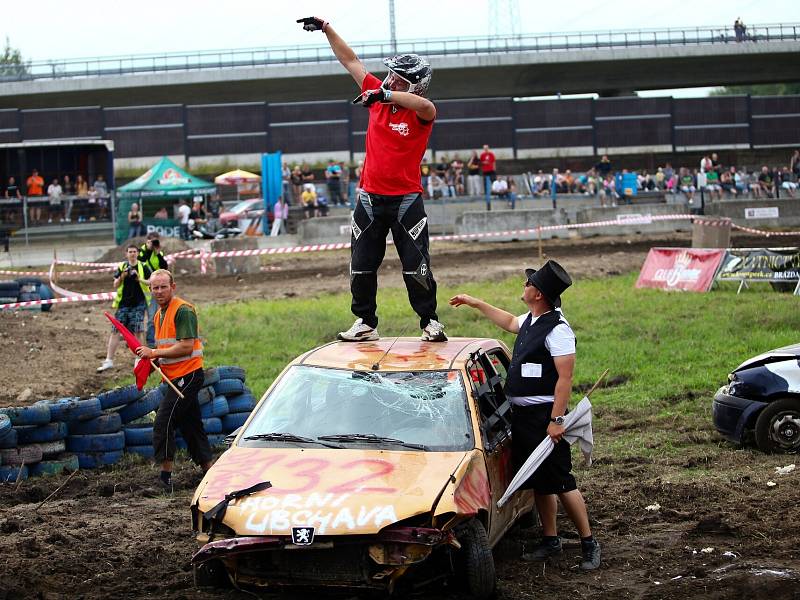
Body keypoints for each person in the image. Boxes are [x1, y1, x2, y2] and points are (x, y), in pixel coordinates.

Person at [299, 15, 446, 342]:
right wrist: (326, 28)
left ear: (413, 85)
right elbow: (350, 60)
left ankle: (429, 322)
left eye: (397, 80)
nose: (389, 81)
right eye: (390, 77)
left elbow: (426, 105)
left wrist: (386, 96)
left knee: (415, 265)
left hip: (407, 200)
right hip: (369, 198)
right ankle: (365, 322)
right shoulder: (377, 95)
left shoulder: (420, 112)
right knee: (361, 264)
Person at [448, 260, 600, 571]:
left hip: (545, 416)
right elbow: (507, 321)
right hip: (525, 416)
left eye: (528, 284)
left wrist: (556, 420)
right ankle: (551, 539)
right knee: (540, 481)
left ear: (539, 294)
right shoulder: (532, 318)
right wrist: (475, 303)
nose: (524, 286)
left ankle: (588, 543)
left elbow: (565, 379)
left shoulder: (558, 329)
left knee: (561, 481)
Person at [135, 269, 212, 491]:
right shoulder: (159, 314)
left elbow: (186, 346)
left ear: (173, 287)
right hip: (174, 376)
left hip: (187, 376)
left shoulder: (183, 310)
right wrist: (154, 363)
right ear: (150, 289)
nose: (159, 291)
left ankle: (165, 479)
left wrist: (155, 353)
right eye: (155, 287)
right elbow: (167, 347)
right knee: (191, 426)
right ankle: (211, 471)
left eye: (163, 287)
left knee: (164, 422)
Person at [97, 245, 152, 372]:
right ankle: (109, 360)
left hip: (139, 303)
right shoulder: (122, 267)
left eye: (134, 251)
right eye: (130, 252)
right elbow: (115, 284)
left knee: (138, 331)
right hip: (123, 304)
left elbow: (150, 282)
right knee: (115, 331)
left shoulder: (143, 266)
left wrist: (139, 278)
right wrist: (122, 276)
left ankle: (140, 360)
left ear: (138, 253)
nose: (132, 254)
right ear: (126, 254)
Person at [138, 232, 169, 346]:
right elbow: (141, 261)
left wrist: (157, 253)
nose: (154, 243)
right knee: (142, 317)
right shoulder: (141, 251)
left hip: (155, 288)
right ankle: (143, 340)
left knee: (154, 316)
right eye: (152, 241)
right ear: (148, 241)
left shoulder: (158, 252)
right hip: (142, 288)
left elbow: (164, 267)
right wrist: (148, 249)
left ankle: (152, 341)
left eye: (156, 240)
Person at [480, 144, 496, 210]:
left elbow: (494, 162)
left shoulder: (491, 154)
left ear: (488, 148)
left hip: (491, 170)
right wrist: (484, 163)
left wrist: (494, 169)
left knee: (493, 181)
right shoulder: (482, 155)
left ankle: (494, 191)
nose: (486, 149)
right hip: (485, 170)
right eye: (484, 148)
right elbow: (480, 162)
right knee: (485, 182)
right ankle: (486, 192)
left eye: (486, 148)